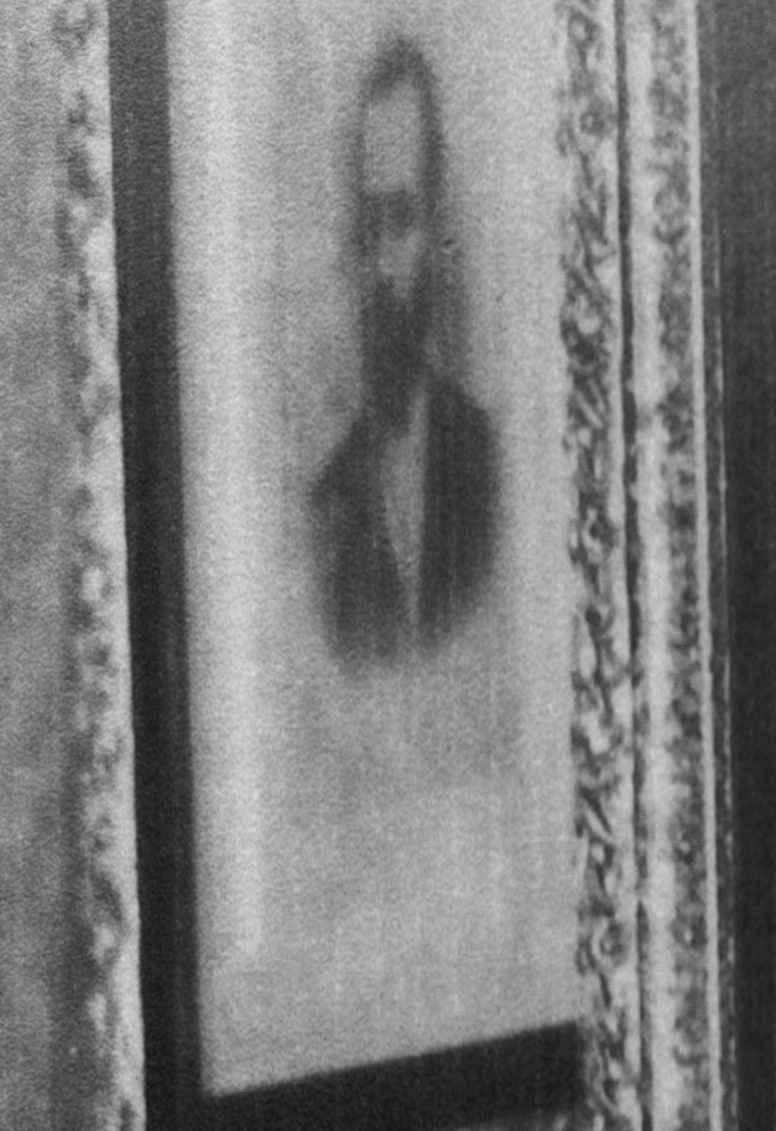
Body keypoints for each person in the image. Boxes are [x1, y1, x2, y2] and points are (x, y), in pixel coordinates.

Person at [309, 39, 507, 671]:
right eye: (368, 228)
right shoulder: (330, 507)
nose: (379, 269)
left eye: (401, 220)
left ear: (436, 232)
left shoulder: (486, 460)